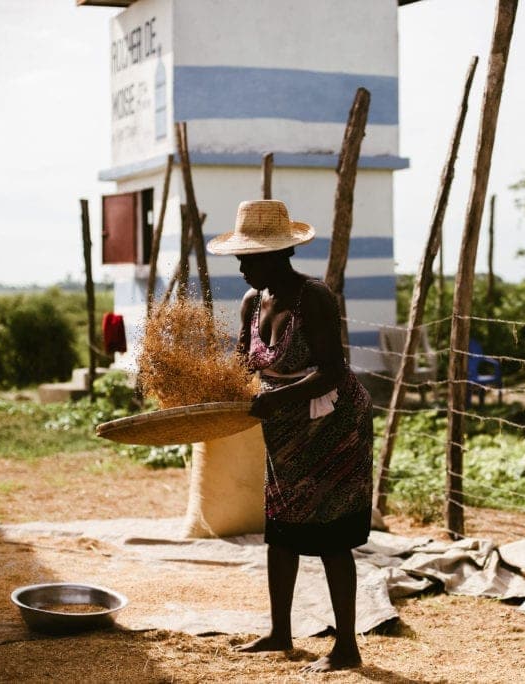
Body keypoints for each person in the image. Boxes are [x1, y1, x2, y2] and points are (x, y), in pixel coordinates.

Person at [207, 199, 374, 673]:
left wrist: (276, 400)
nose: (241, 267)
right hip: (285, 431)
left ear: (279, 256)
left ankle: (346, 647)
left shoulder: (313, 298)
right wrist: (211, 394)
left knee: (329, 534)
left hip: (334, 426)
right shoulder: (251, 302)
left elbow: (332, 371)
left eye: (249, 258)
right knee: (280, 531)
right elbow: (243, 365)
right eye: (239, 257)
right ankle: (280, 632)